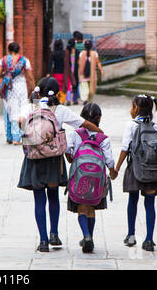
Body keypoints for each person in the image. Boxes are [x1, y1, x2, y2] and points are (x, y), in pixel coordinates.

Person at [17, 77, 104, 253]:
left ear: (38, 91)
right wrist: (100, 131)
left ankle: (43, 241)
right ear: (57, 93)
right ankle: (54, 234)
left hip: (34, 157)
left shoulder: (30, 106)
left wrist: (30, 135)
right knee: (53, 196)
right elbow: (83, 123)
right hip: (54, 159)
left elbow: (20, 121)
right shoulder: (61, 109)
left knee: (39, 200)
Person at [114, 94, 157, 252]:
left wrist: (116, 169)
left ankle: (131, 236)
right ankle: (149, 240)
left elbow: (125, 148)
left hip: (136, 169)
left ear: (136, 108)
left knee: (133, 201)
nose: (131, 110)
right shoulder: (155, 126)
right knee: (150, 204)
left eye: (132, 106)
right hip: (152, 170)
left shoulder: (131, 125)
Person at [65, 103, 117, 253]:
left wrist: (71, 159)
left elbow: (68, 150)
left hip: (79, 177)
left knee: (82, 207)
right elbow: (109, 160)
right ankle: (90, 236)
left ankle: (86, 235)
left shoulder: (75, 134)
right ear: (99, 118)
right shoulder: (103, 138)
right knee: (91, 207)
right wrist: (113, 172)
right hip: (96, 179)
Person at [0, 42, 33, 145]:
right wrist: (33, 88)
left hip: (9, 88)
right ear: (18, 50)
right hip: (21, 87)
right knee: (21, 110)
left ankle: (10, 136)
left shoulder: (3, 60)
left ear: (8, 50)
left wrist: (6, 74)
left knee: (10, 111)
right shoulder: (24, 60)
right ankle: (17, 138)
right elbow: (30, 77)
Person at [78, 39, 104, 104]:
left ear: (84, 46)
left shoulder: (82, 53)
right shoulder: (95, 54)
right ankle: (89, 100)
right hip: (92, 74)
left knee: (84, 87)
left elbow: (78, 62)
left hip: (83, 74)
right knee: (91, 88)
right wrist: (101, 70)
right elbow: (98, 62)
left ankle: (85, 99)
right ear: (91, 46)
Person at [46, 39, 67, 105]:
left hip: (56, 73)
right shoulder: (64, 53)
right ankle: (62, 100)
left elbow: (50, 63)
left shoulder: (53, 53)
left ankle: (57, 99)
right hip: (63, 72)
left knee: (56, 86)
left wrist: (49, 72)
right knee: (63, 86)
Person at [64, 39, 79, 106]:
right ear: (74, 45)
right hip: (75, 71)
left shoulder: (65, 51)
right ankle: (75, 100)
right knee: (75, 85)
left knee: (68, 85)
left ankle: (68, 99)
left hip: (67, 71)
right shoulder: (77, 52)